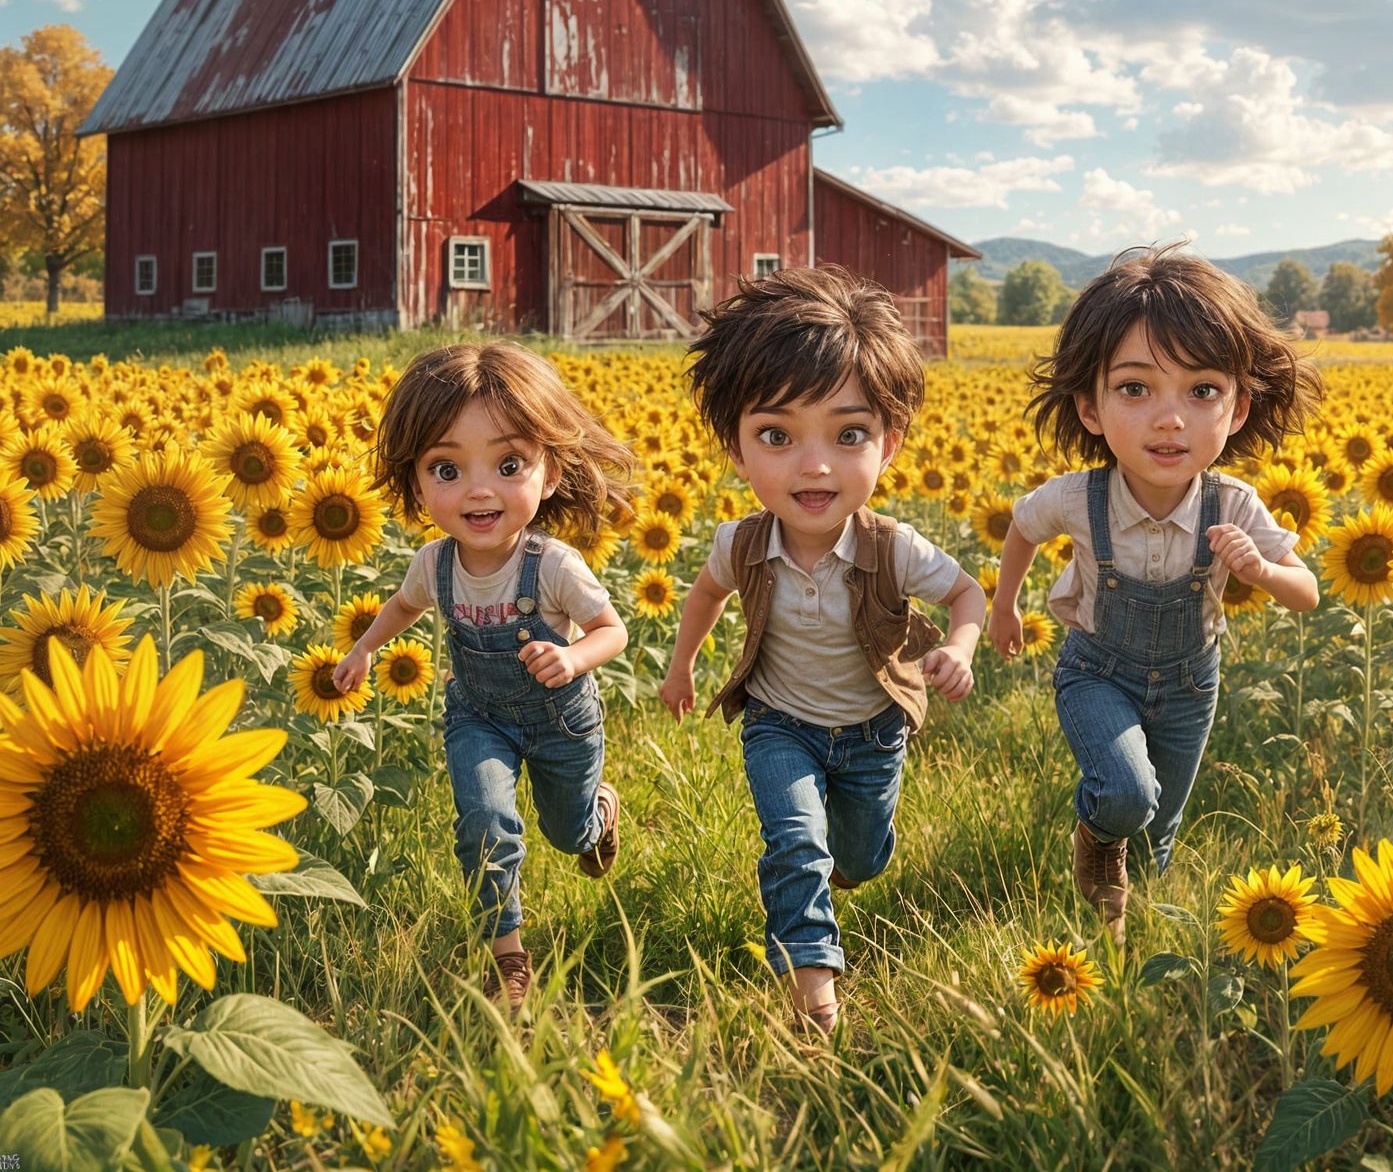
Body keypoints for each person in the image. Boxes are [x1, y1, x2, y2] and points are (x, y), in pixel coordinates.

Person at [658, 266, 986, 1039]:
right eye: (777, 436)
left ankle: (843, 869)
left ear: (889, 443)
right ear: (736, 448)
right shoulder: (739, 544)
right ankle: (814, 994)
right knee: (795, 845)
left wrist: (963, 647)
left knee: (861, 858)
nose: (815, 466)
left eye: (848, 435)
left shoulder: (894, 547)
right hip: (780, 724)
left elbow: (967, 595)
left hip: (874, 730)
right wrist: (681, 668)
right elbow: (704, 596)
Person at [989, 243, 1322, 946]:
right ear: (1090, 406)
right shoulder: (1080, 498)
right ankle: (1095, 836)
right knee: (1127, 793)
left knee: (1160, 825)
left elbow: (1307, 593)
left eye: (1201, 390)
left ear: (1237, 409)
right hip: (1095, 670)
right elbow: (1021, 529)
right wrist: (1004, 604)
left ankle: (1122, 934)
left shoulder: (1232, 503)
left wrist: (1259, 573)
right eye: (1136, 389)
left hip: (1190, 684)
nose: (1170, 419)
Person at [331, 342, 633, 1016]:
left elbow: (614, 631)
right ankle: (509, 958)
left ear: (549, 474)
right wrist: (364, 652)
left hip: (561, 721)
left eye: (508, 464)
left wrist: (574, 657)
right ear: (416, 484)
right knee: (485, 824)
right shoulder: (434, 563)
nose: (478, 489)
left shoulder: (552, 566)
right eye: (447, 467)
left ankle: (599, 816)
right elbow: (403, 606)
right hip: (478, 717)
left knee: (567, 834)